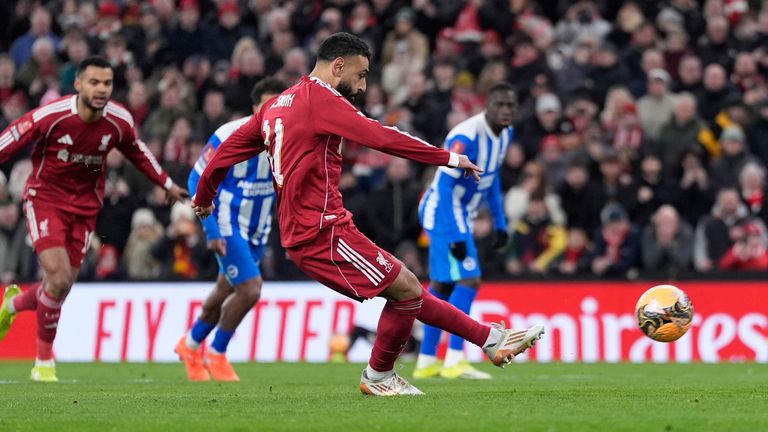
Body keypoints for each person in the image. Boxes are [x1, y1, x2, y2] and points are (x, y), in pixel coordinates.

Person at [192, 33, 545, 396]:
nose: (362, 86)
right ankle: (382, 374)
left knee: (406, 287)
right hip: (319, 230)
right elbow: (382, 137)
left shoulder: (276, 105)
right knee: (406, 290)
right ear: (338, 66)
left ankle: (489, 340)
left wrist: (204, 196)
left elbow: (227, 151)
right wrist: (449, 157)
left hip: (317, 227)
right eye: (360, 75)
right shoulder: (321, 99)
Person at [0, 56, 188, 382]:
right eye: (94, 82)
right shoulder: (53, 115)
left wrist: (167, 184)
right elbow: (13, 135)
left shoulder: (118, 120)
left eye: (107, 83)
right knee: (57, 277)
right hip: (45, 200)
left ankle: (13, 305)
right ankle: (43, 362)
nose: (101, 89)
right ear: (78, 84)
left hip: (86, 209)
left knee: (61, 287)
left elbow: (138, 152)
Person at [175, 78, 286, 382]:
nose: (273, 110)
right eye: (267, 104)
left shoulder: (289, 137)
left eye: (279, 104)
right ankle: (217, 352)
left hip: (259, 229)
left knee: (226, 289)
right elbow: (196, 180)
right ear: (254, 107)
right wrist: (211, 230)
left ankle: (190, 344)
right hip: (227, 224)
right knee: (250, 289)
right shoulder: (229, 134)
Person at [413, 82, 517, 380]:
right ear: (487, 106)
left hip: (461, 212)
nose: (505, 111)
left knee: (443, 286)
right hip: (442, 209)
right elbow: (445, 186)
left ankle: (426, 362)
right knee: (469, 278)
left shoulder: (506, 134)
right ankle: (455, 360)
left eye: (510, 105)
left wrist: (500, 222)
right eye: (499, 105)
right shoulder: (465, 136)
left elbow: (492, 180)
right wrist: (456, 235)